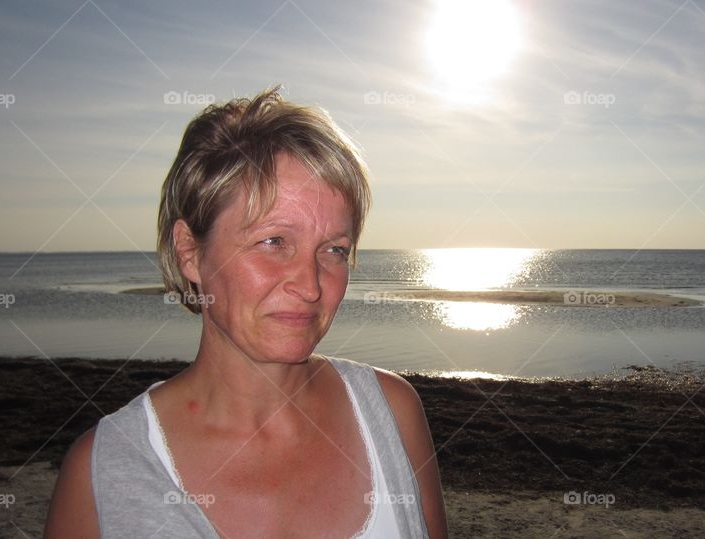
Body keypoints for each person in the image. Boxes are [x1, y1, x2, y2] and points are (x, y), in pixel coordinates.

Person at [44, 87, 448, 538]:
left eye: (334, 249)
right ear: (190, 252)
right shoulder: (104, 474)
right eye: (274, 241)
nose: (311, 285)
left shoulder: (391, 415)